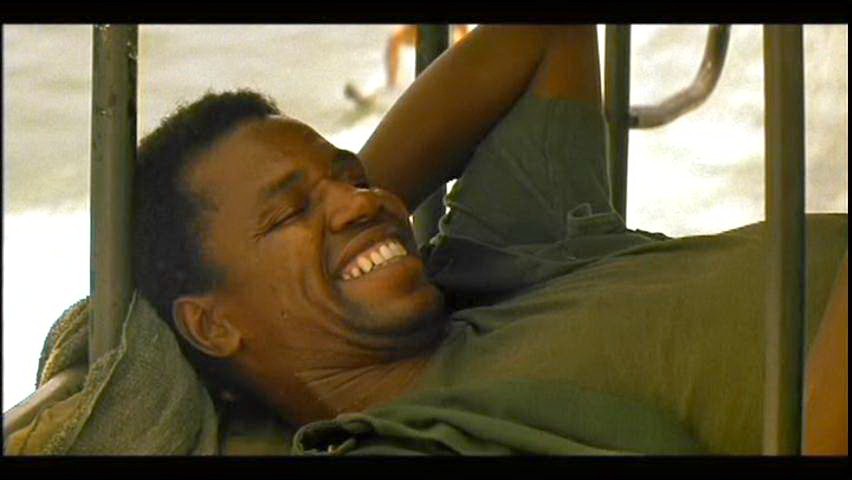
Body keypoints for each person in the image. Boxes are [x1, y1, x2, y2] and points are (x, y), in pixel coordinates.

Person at [8, 25, 846, 455]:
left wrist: (347, 229)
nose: (361, 198)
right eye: (286, 213)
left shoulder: (499, 260)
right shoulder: (417, 438)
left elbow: (542, 35)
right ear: (214, 323)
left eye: (352, 173)